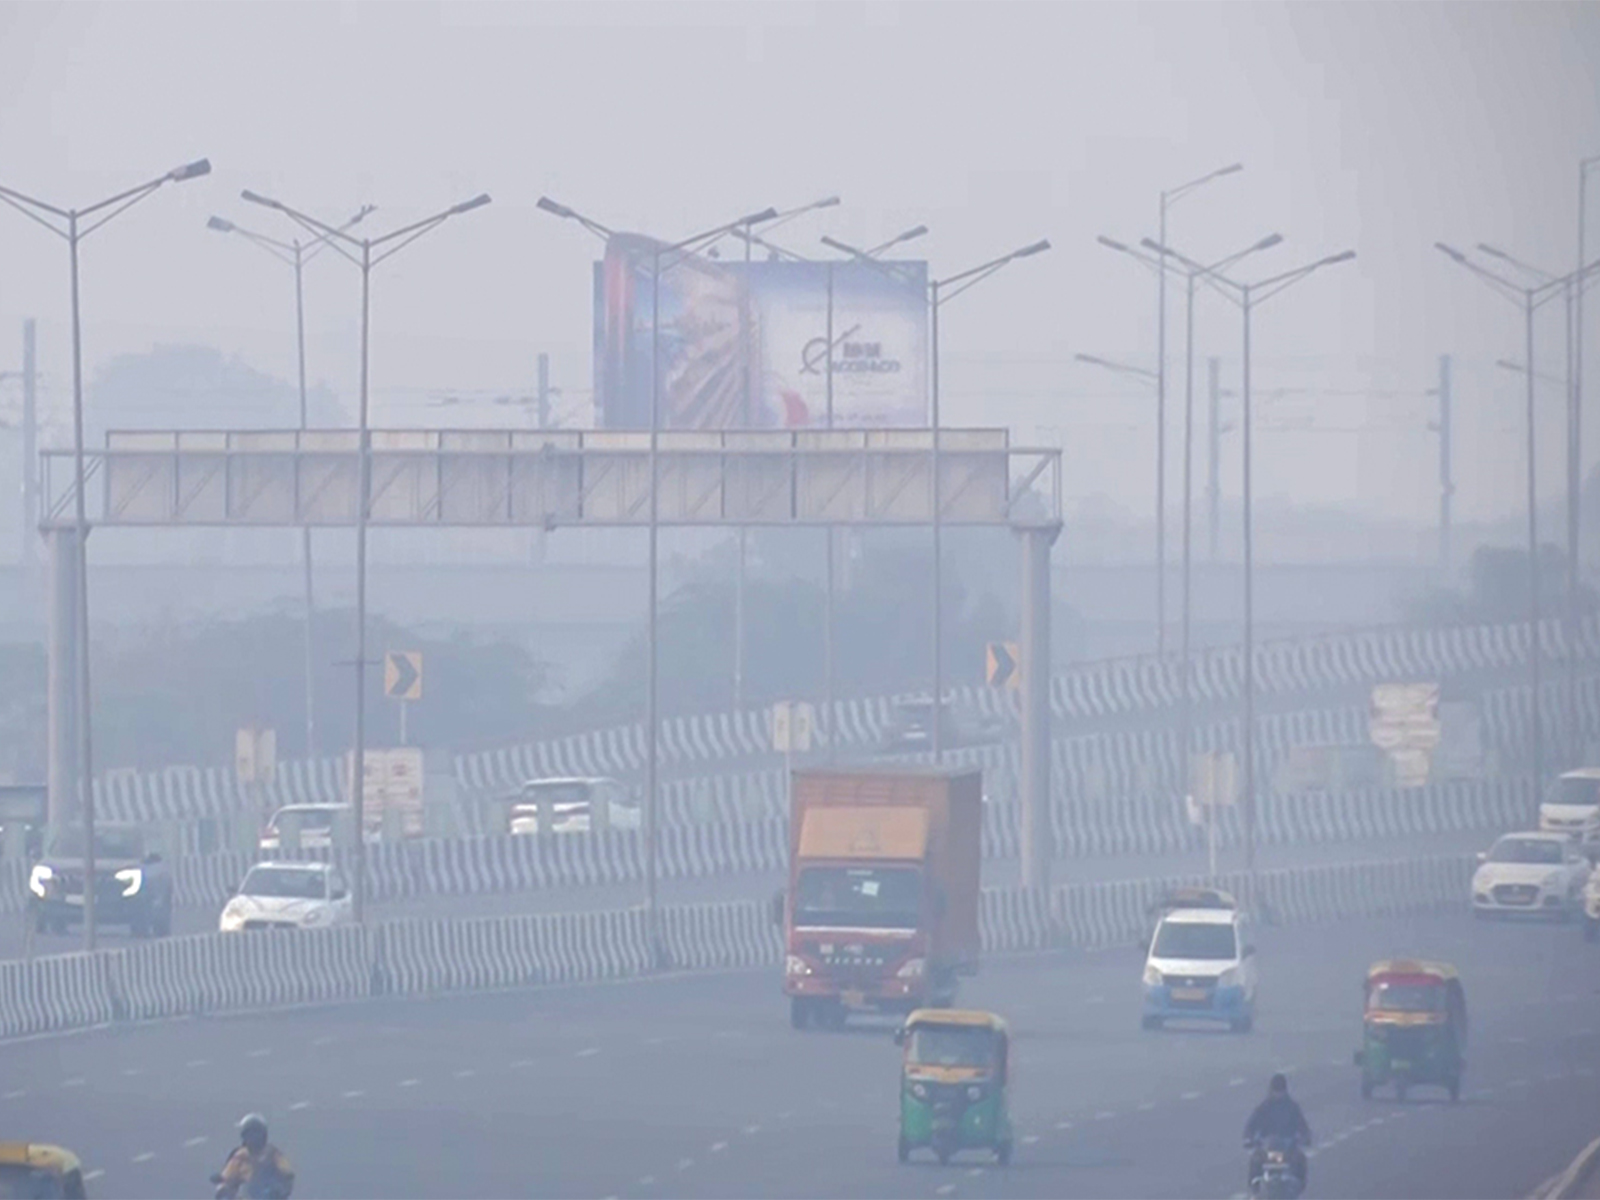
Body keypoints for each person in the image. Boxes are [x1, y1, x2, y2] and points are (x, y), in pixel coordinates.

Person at [1243, 1074, 1311, 1192]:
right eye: (1276, 1090)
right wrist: (1249, 1138)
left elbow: (1302, 1125)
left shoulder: (1292, 1107)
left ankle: (1299, 1186)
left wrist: (1305, 1137)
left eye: (1280, 1090)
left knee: (1300, 1158)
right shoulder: (1264, 1107)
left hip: (1288, 1147)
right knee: (1255, 1159)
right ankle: (1254, 1188)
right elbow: (1251, 1125)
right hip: (1266, 1147)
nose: (1278, 1094)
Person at [213, 1113, 295, 1200]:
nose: (253, 1138)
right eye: (249, 1135)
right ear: (244, 1137)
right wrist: (223, 1187)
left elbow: (288, 1174)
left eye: (256, 1134)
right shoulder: (240, 1157)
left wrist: (280, 1190)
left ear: (263, 1135)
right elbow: (228, 1177)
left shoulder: (272, 1153)